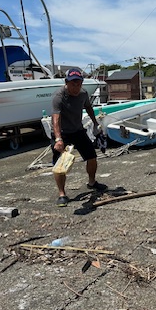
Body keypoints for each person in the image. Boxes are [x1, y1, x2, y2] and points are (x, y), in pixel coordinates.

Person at [51, 67, 107, 206]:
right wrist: (58, 139)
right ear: (66, 82)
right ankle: (62, 194)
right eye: (73, 84)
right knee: (60, 165)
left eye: (78, 84)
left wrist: (95, 124)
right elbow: (55, 119)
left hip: (77, 130)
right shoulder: (59, 96)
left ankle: (92, 182)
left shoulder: (83, 93)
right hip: (62, 133)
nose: (76, 87)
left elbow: (88, 107)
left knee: (92, 157)